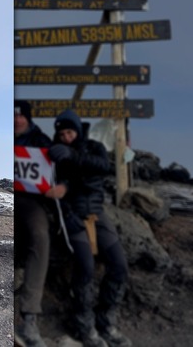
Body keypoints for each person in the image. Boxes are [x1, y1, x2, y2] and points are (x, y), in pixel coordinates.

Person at [48, 109, 130, 347]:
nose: (66, 137)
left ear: (78, 129)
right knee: (85, 267)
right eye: (61, 133)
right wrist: (65, 214)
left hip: (97, 214)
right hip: (72, 216)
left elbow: (103, 166)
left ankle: (106, 322)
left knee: (119, 265)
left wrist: (72, 156)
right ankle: (84, 325)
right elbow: (51, 187)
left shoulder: (94, 147)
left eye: (70, 132)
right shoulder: (55, 153)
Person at [13, 100, 52, 347]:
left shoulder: (42, 140)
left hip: (31, 201)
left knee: (40, 235)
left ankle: (29, 315)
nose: (17, 119)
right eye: (14, 115)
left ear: (28, 118)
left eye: (21, 116)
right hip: (9, 197)